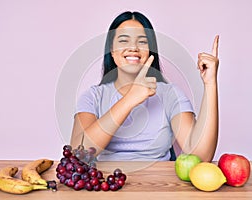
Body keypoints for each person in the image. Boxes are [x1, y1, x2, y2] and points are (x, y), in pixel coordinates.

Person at [70, 11, 219, 162]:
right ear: (112, 51)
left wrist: (210, 82)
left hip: (159, 183)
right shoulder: (93, 97)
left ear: (150, 51)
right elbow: (77, 156)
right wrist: (130, 99)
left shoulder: (170, 94)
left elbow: (202, 155)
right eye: (123, 40)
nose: (133, 47)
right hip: (107, 183)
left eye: (142, 41)